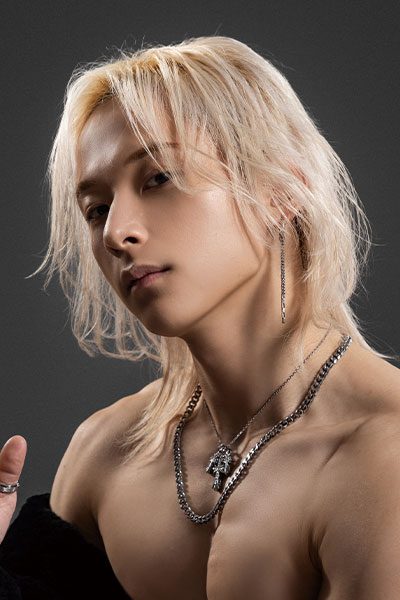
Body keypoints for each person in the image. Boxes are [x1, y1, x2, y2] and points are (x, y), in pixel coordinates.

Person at [1, 35, 399, 599]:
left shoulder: (383, 460)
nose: (116, 232)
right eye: (96, 209)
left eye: (158, 178)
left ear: (282, 189)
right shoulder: (105, 453)